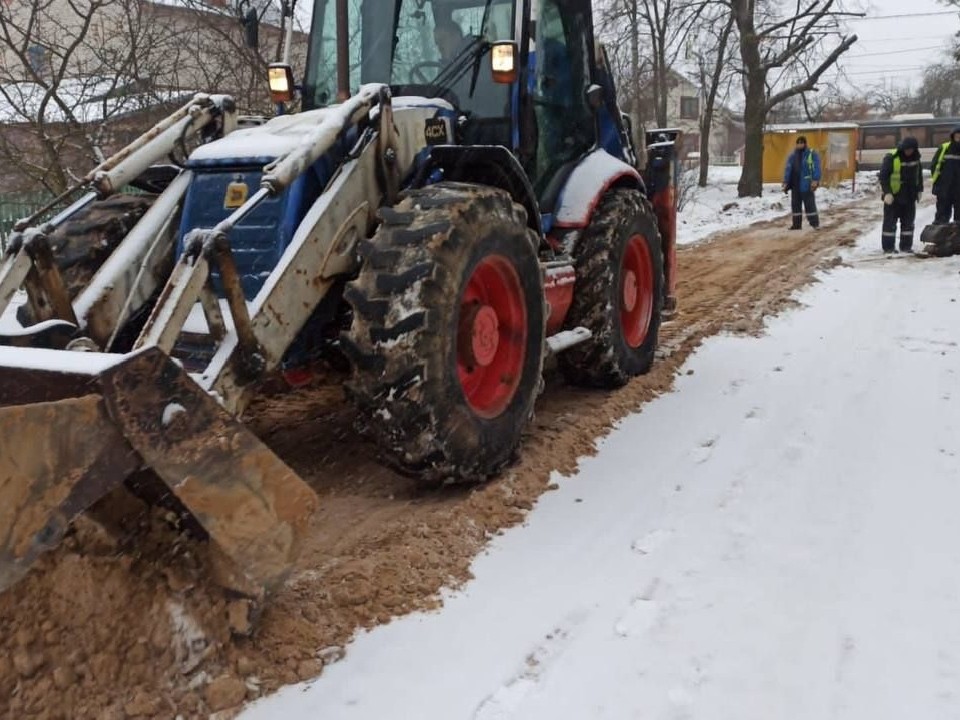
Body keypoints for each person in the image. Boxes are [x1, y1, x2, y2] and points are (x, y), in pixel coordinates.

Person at [878, 136, 923, 254]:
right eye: (907, 149)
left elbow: (919, 175)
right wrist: (887, 192)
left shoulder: (916, 158)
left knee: (908, 223)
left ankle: (906, 246)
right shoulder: (891, 157)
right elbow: (883, 176)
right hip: (894, 196)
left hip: (909, 195)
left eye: (911, 150)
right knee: (890, 224)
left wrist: (919, 190)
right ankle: (888, 248)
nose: (909, 152)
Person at [781, 136, 822, 230]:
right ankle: (796, 224)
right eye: (798, 143)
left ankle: (814, 224)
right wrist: (785, 182)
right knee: (795, 205)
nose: (800, 144)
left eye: (802, 142)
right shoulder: (792, 156)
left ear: (805, 143)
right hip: (795, 184)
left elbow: (816, 167)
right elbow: (788, 169)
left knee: (810, 204)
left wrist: (815, 180)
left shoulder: (811, 154)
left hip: (806, 184)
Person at [931, 126, 960, 224]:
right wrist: (938, 183)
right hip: (944, 187)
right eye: (957, 135)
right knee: (942, 215)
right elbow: (934, 166)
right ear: (953, 136)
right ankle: (940, 235)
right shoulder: (944, 148)